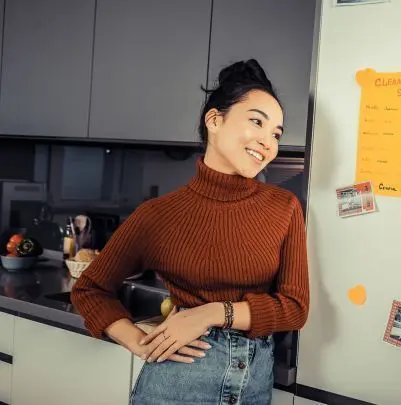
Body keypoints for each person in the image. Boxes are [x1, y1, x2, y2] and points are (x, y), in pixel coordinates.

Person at [70, 59, 309, 405]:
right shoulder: (157, 215)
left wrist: (210, 313)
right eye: (257, 121)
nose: (268, 142)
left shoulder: (284, 207)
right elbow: (89, 289)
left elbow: (295, 308)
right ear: (214, 120)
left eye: (276, 133)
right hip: (176, 385)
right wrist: (135, 339)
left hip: (255, 387)